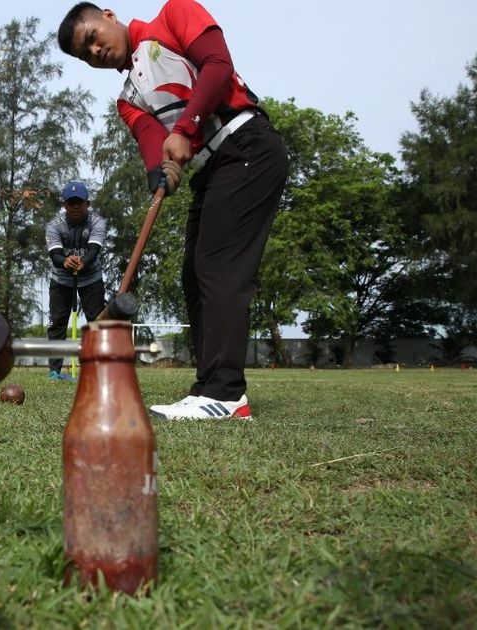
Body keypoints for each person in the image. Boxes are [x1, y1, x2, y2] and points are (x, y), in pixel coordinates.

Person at [57, 0, 288, 419]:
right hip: (213, 170)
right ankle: (210, 389)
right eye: (85, 54)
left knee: (217, 267)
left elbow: (218, 65)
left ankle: (225, 393)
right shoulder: (127, 100)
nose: (95, 52)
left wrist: (184, 130)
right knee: (194, 276)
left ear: (108, 16)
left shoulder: (174, 14)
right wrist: (159, 175)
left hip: (247, 145)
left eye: (93, 38)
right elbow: (151, 142)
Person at [45, 180, 107, 381]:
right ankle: (55, 371)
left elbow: (94, 251)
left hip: (91, 278)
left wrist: (82, 262)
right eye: (71, 203)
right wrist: (66, 261)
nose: (75, 207)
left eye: (79, 203)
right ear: (64, 205)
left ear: (87, 204)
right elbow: (55, 255)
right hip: (61, 279)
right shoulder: (54, 226)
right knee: (57, 323)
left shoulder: (97, 222)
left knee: (97, 322)